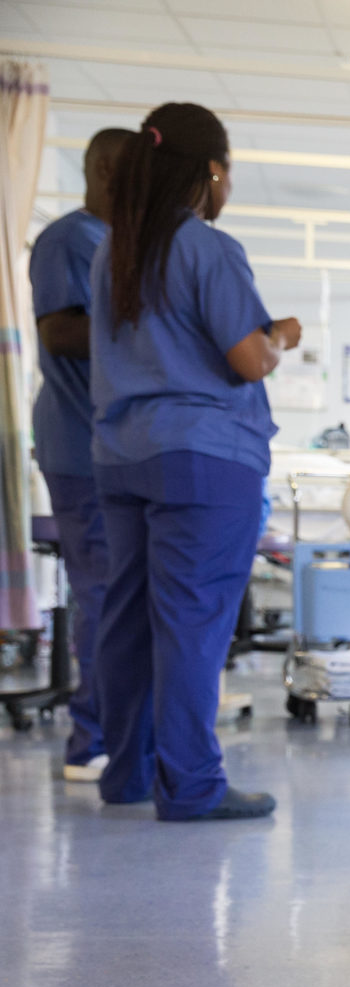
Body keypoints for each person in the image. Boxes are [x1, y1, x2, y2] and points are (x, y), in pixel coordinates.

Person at [90, 103, 300, 820]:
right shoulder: (207, 248)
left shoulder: (110, 251)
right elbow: (247, 360)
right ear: (210, 171)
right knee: (191, 623)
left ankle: (127, 774)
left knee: (127, 617)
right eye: (228, 172)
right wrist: (278, 334)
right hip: (203, 461)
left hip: (121, 455)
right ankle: (193, 787)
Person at [29, 126, 132, 783]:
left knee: (116, 593)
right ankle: (89, 741)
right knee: (101, 592)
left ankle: (113, 729)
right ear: (99, 172)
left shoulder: (115, 244)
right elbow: (62, 331)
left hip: (109, 447)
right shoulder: (72, 238)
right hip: (78, 446)